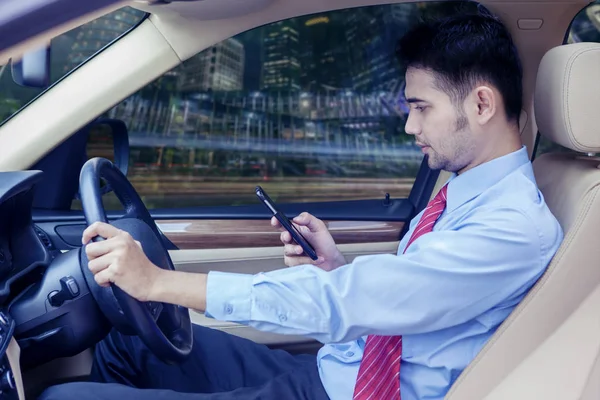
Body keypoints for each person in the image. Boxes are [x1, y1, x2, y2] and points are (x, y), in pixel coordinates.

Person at [40, 12, 563, 400]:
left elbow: (357, 299)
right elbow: (407, 297)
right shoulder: (464, 192)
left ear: (481, 104)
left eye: (421, 108)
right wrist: (334, 267)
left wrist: (159, 283)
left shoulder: (514, 228)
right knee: (124, 346)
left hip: (347, 393)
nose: (409, 127)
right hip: (333, 369)